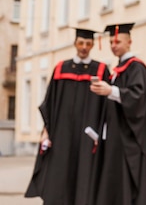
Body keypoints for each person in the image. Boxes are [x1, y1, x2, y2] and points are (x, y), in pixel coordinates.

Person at [25, 28, 110, 204]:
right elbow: (50, 102)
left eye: (88, 43)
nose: (84, 47)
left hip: (87, 137)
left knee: (84, 179)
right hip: (61, 136)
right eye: (81, 43)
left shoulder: (100, 70)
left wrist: (102, 134)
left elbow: (107, 107)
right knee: (59, 178)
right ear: (75, 44)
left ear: (93, 45)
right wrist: (46, 132)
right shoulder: (61, 69)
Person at [89, 23, 146, 205]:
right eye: (111, 43)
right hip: (114, 136)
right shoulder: (118, 70)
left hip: (129, 138)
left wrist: (111, 91)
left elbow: (138, 97)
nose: (114, 46)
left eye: (118, 41)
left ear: (129, 42)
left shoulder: (136, 67)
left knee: (127, 184)